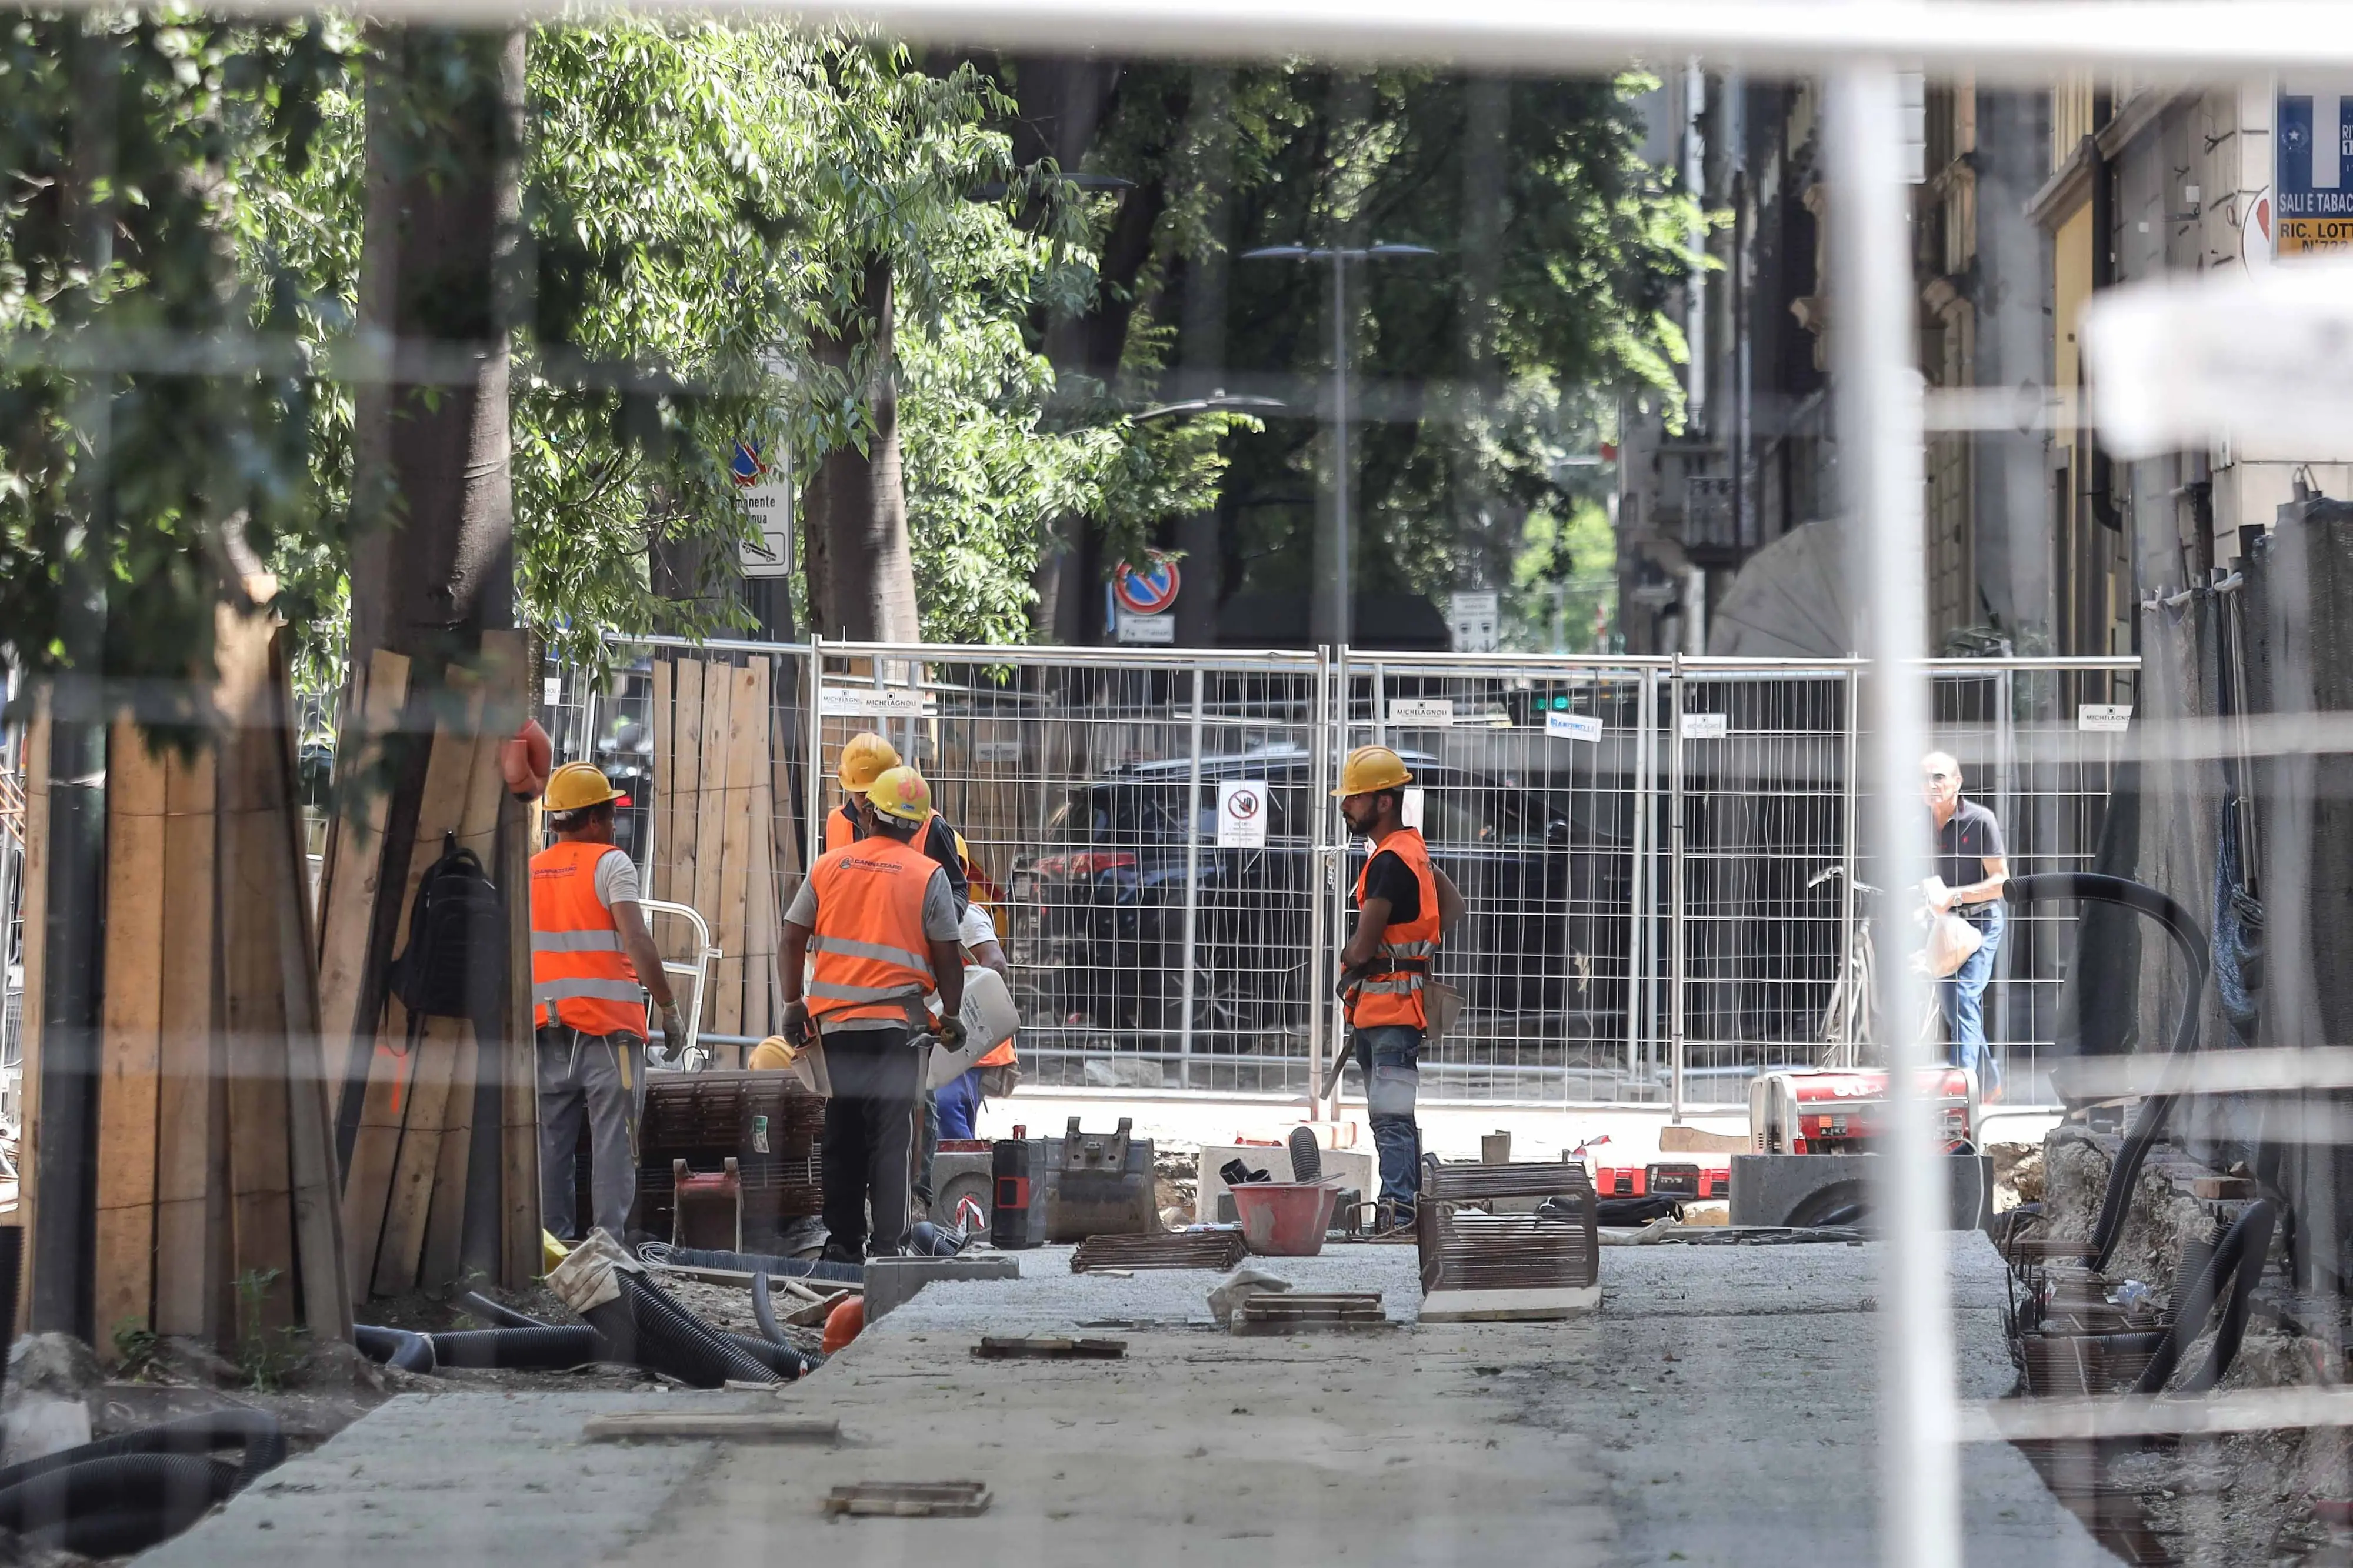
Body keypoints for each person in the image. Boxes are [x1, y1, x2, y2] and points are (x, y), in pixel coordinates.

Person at [782, 765, 967, 1263]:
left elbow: (792, 934)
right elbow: (947, 956)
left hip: (837, 1027)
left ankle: (842, 1243)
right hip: (898, 1031)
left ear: (869, 812)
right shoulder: (927, 875)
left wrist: (793, 1001)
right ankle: (888, 1247)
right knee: (891, 1138)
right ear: (918, 825)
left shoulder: (829, 866)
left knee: (842, 1130)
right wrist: (950, 1014)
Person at [530, 762, 686, 1242]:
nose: (615, 824)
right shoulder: (610, 863)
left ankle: (550, 1247)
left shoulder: (530, 870)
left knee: (549, 1145)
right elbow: (637, 939)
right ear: (595, 818)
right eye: (610, 813)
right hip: (609, 1034)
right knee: (615, 1144)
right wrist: (667, 1007)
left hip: (545, 1031)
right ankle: (608, 1245)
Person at [1333, 745, 1465, 1230]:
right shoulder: (1414, 851)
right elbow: (1453, 910)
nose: (1345, 806)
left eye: (1355, 798)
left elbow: (1363, 947)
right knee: (1398, 1115)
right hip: (1398, 1008)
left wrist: (1351, 958)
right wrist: (1414, 952)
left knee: (1389, 1119)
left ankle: (1397, 1211)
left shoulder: (1390, 862)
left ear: (1384, 801)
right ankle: (1407, 1205)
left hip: (1386, 1012)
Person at [1922, 749, 2009, 1102]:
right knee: (1956, 1007)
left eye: (1939, 777)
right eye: (1923, 778)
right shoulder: (1915, 825)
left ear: (1957, 782)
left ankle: (1961, 1099)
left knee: (1962, 998)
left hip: (1981, 924)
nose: (1931, 785)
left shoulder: (1981, 820)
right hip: (1943, 929)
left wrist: (1954, 898)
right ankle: (1990, 1085)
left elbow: (2002, 881)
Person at [827, 731, 974, 913]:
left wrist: (940, 930)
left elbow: (956, 890)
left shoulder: (930, 827)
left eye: (875, 791)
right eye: (862, 794)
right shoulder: (836, 823)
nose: (869, 801)